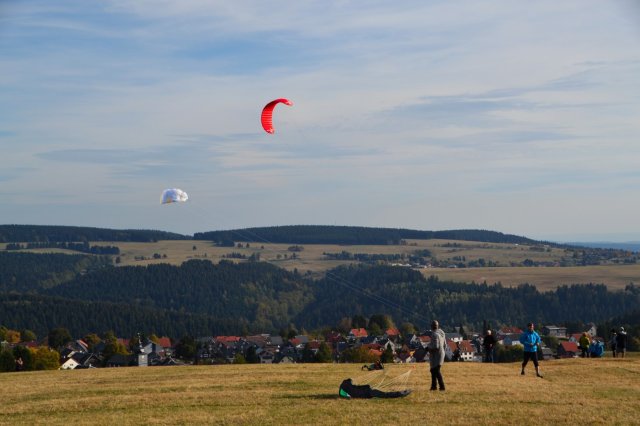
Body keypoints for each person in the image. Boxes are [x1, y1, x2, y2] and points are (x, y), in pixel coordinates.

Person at [428, 320, 446, 391]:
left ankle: (442, 387)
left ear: (432, 327)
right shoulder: (442, 333)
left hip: (436, 356)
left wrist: (428, 347)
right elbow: (445, 345)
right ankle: (433, 386)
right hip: (441, 354)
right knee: (433, 370)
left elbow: (436, 346)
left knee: (436, 371)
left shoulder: (434, 334)